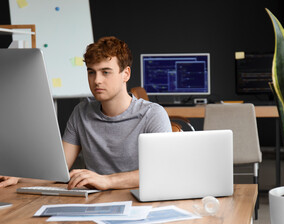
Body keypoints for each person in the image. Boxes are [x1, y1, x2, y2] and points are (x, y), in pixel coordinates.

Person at [0, 36, 172, 189]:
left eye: (105, 72)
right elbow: (59, 170)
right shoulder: (81, 112)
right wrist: (19, 177)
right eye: (91, 72)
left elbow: (162, 170)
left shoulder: (153, 114)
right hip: (92, 203)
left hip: (137, 201)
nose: (97, 80)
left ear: (125, 74)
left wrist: (107, 181)